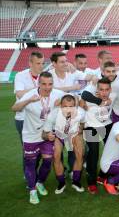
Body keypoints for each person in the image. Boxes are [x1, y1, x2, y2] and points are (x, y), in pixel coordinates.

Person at [11, 72, 65, 204]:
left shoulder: (57, 94)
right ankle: (32, 190)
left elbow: (74, 100)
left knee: (47, 161)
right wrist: (28, 100)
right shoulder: (30, 95)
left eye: (50, 84)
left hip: (46, 134)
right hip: (30, 136)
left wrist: (61, 103)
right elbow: (14, 108)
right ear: (38, 84)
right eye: (44, 84)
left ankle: (40, 182)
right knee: (31, 163)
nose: (47, 87)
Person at [43, 94, 86, 194]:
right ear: (60, 106)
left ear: (75, 106)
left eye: (71, 106)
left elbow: (83, 122)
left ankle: (76, 181)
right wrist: (48, 135)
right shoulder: (53, 114)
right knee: (56, 156)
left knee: (80, 155)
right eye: (65, 106)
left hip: (74, 134)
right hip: (59, 135)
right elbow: (44, 134)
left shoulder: (81, 112)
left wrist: (81, 128)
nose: (68, 109)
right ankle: (61, 183)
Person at [81, 78, 114, 194]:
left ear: (110, 89)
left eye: (106, 90)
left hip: (106, 125)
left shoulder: (113, 95)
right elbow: (84, 94)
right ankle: (91, 182)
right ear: (97, 89)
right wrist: (99, 101)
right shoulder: (90, 93)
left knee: (111, 152)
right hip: (90, 126)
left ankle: (102, 175)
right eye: (101, 90)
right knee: (93, 154)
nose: (104, 92)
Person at [14, 51, 45, 172]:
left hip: (40, 119)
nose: (41, 66)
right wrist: (38, 89)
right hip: (23, 118)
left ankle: (34, 174)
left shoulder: (44, 75)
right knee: (28, 150)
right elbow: (20, 93)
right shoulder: (20, 75)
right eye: (38, 63)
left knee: (42, 149)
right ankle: (29, 176)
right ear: (30, 63)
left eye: (42, 63)